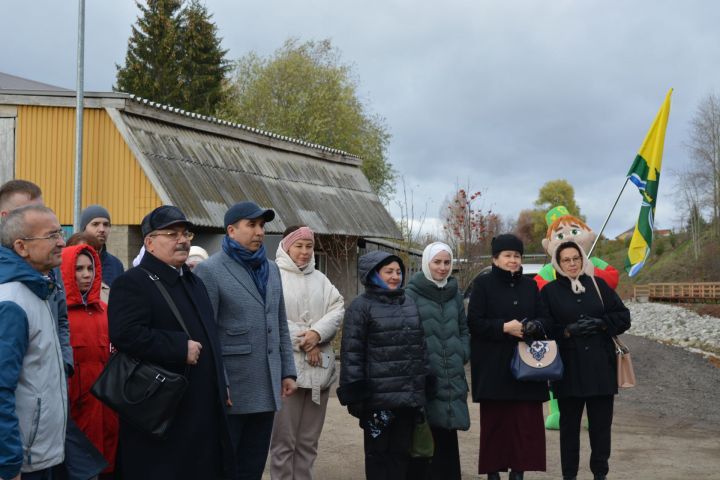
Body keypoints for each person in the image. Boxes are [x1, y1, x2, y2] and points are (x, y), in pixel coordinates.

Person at [107, 205, 234, 480]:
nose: (183, 240)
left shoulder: (192, 282)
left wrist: (219, 382)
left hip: (201, 410)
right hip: (161, 415)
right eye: (172, 233)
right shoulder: (133, 283)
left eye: (185, 233)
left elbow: (210, 338)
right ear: (150, 242)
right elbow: (124, 334)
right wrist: (178, 347)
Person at [194, 201, 297, 480]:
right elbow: (207, 333)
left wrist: (287, 369)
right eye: (251, 225)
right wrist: (220, 380)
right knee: (227, 466)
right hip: (233, 389)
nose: (259, 232)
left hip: (266, 384)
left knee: (253, 466)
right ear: (231, 230)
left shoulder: (272, 269)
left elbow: (279, 323)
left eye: (262, 225)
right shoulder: (211, 270)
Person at [540, 241, 631, 480]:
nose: (572, 263)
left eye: (575, 258)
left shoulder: (598, 285)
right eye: (566, 260)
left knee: (601, 429)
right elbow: (544, 328)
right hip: (568, 371)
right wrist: (567, 331)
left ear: (582, 260)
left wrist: (602, 324)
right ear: (557, 264)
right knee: (569, 430)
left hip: (601, 369)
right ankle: (569, 475)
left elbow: (623, 317)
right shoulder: (549, 292)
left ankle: (600, 473)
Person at [337, 250, 429, 480]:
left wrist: (425, 381)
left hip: (406, 398)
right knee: (378, 456)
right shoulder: (360, 307)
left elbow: (421, 347)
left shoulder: (408, 303)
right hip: (378, 402)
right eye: (388, 271)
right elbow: (352, 352)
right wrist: (356, 393)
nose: (395, 276)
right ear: (372, 274)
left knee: (401, 455)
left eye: (398, 272)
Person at [467, 234, 552, 480]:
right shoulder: (483, 285)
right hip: (493, 366)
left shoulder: (530, 285)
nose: (513, 260)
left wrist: (534, 326)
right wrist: (504, 327)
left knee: (525, 424)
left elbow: (545, 318)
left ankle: (518, 472)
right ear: (495, 259)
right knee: (496, 424)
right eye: (507, 256)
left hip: (527, 366)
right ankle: (493, 473)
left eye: (516, 256)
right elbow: (474, 322)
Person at [269, 226, 344, 480]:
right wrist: (307, 340)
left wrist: (317, 335)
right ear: (286, 246)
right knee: (283, 442)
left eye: (308, 246)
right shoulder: (272, 276)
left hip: (318, 372)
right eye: (298, 246)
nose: (304, 252)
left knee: (308, 442)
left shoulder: (321, 280)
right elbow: (270, 318)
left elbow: (337, 308)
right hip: (286, 372)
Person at [0, 205, 68, 480]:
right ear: (22, 247)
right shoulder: (12, 302)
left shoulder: (37, 289)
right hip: (21, 462)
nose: (62, 242)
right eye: (52, 235)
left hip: (35, 455)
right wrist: (8, 463)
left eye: (60, 233)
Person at [405, 242, 470, 480]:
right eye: (437, 262)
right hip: (425, 375)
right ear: (426, 263)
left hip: (452, 373)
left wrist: (462, 352)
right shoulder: (411, 294)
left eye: (447, 262)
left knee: (447, 433)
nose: (442, 268)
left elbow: (464, 329)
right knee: (424, 433)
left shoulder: (454, 294)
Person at [60, 243, 119, 477]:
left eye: (90, 268)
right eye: (78, 269)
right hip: (74, 403)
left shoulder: (105, 310)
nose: (86, 274)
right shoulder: (59, 311)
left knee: (106, 461)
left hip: (105, 403)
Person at [80, 205, 124, 286]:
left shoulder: (116, 265)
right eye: (95, 224)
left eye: (106, 224)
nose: (102, 229)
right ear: (83, 228)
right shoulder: (70, 260)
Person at [66, 232, 109, 303]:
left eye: (93, 251)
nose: (88, 255)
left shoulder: (106, 292)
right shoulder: (57, 295)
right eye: (81, 250)